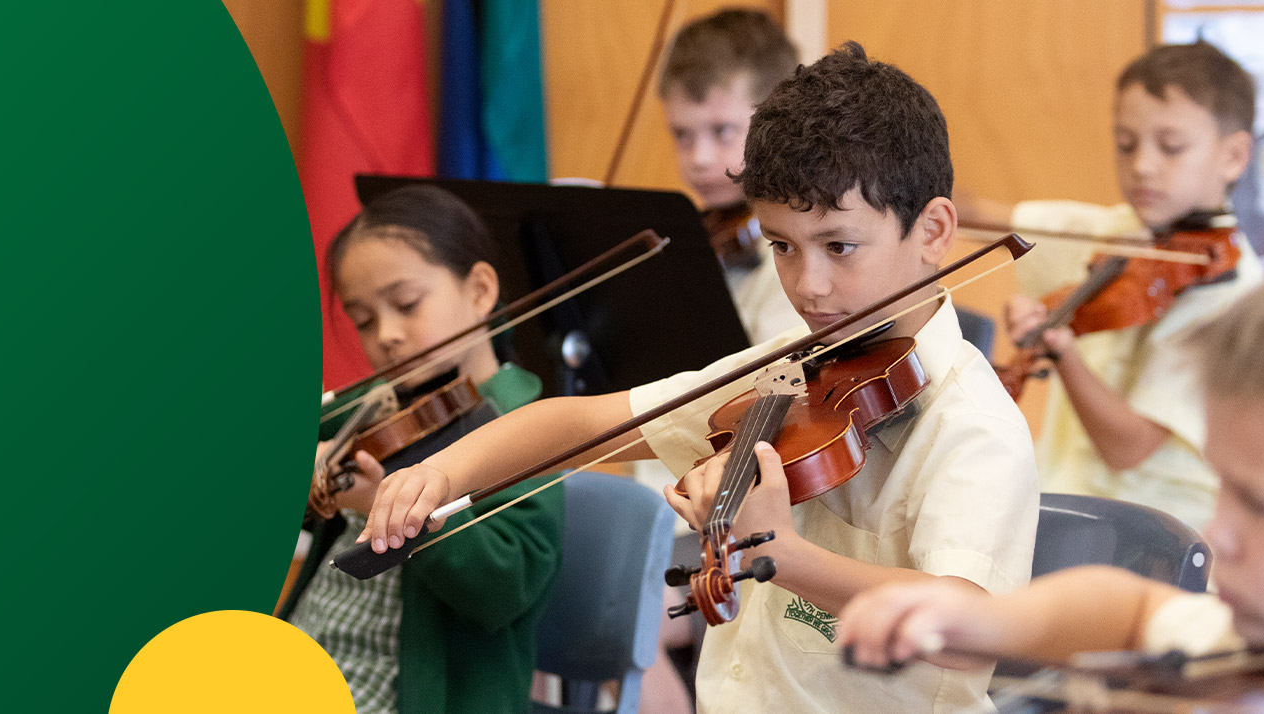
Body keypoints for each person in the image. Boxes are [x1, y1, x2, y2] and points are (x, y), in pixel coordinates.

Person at [358, 44, 1037, 713]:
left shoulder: (972, 424)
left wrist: (783, 554)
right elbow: (584, 424)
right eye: (782, 247)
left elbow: (966, 633)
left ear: (934, 230)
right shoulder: (789, 371)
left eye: (839, 245)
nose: (809, 285)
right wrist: (440, 475)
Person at [839, 276, 1264, 685]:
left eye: (1260, 505)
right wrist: (983, 620)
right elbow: (1133, 611)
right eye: (1223, 487)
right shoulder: (1244, 639)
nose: (1216, 534)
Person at [279, 184, 562, 714]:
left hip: (399, 693)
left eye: (406, 305)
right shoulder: (378, 407)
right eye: (363, 320)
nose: (385, 336)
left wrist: (382, 507)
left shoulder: (524, 427)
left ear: (479, 290)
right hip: (305, 655)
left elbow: (507, 586)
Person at [994, 41, 1264, 532]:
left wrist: (1062, 351)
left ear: (1233, 156)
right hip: (1063, 500)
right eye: (1125, 143)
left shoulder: (1229, 293)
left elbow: (1127, 448)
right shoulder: (1122, 233)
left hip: (1153, 536)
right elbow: (998, 221)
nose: (1142, 165)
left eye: (1171, 146)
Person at [659, 8, 806, 345]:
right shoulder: (706, 236)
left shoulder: (799, 254)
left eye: (722, 131)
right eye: (682, 135)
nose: (700, 158)